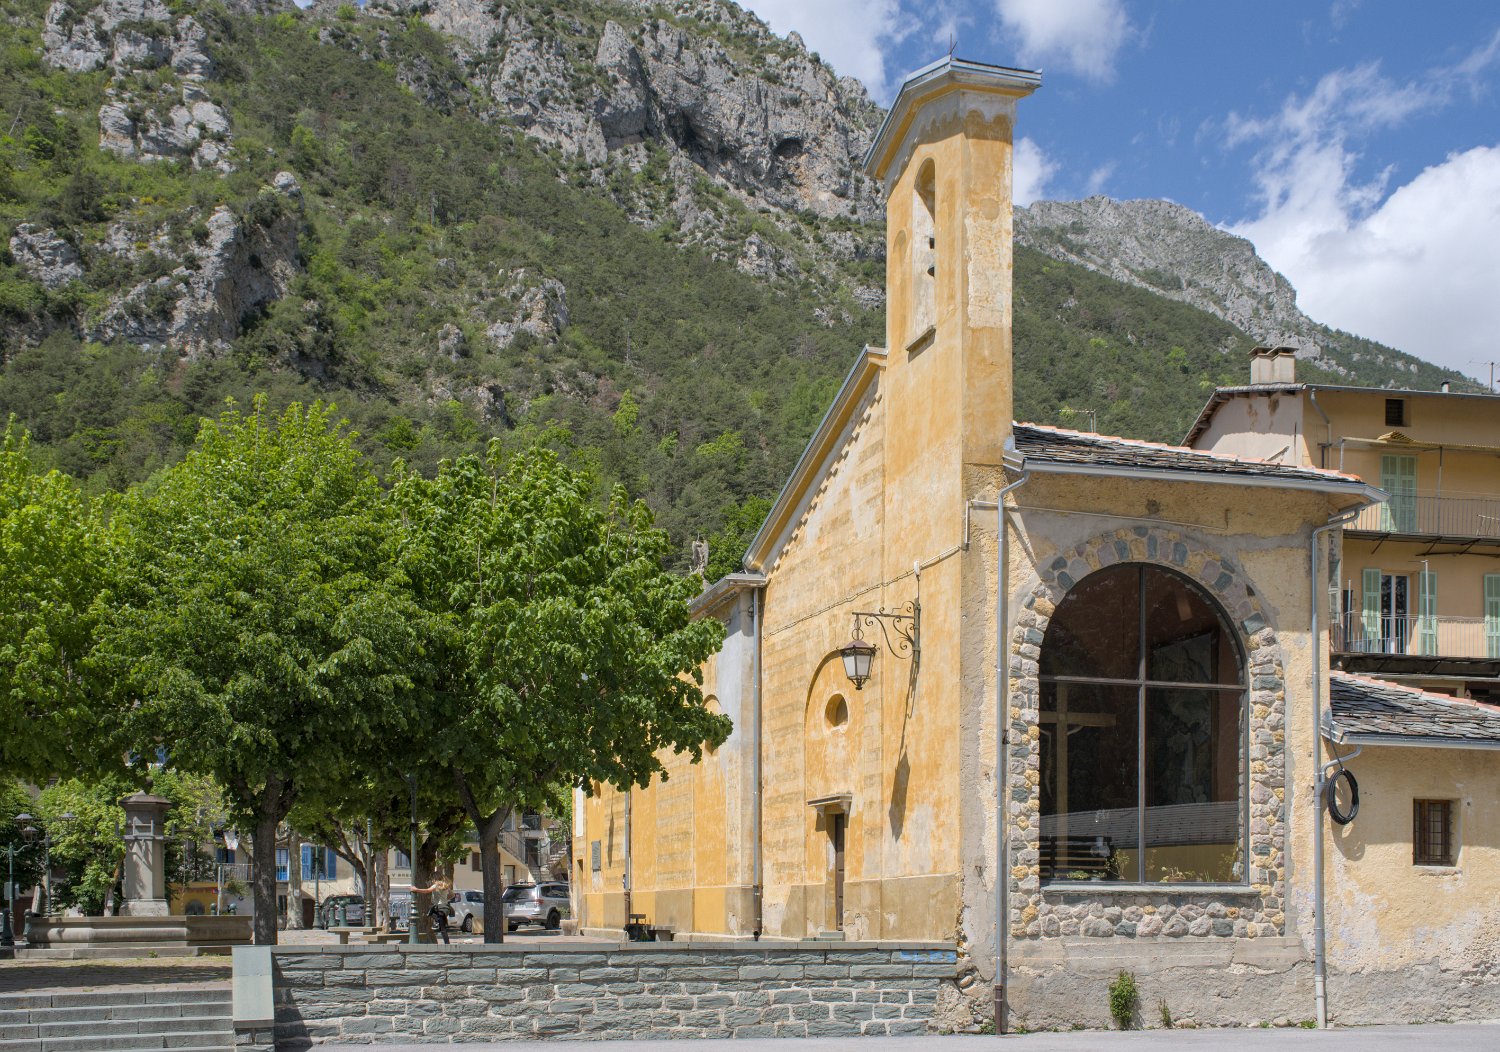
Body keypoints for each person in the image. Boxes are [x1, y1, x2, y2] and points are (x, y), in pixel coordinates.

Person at [410, 879, 453, 944]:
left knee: (430, 912)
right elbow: (452, 895)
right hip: (445, 908)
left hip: (439, 908)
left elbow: (427, 890)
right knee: (442, 927)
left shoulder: (435, 885)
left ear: (435, 879)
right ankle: (446, 942)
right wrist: (445, 899)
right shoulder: (445, 886)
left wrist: (416, 889)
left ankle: (437, 922)